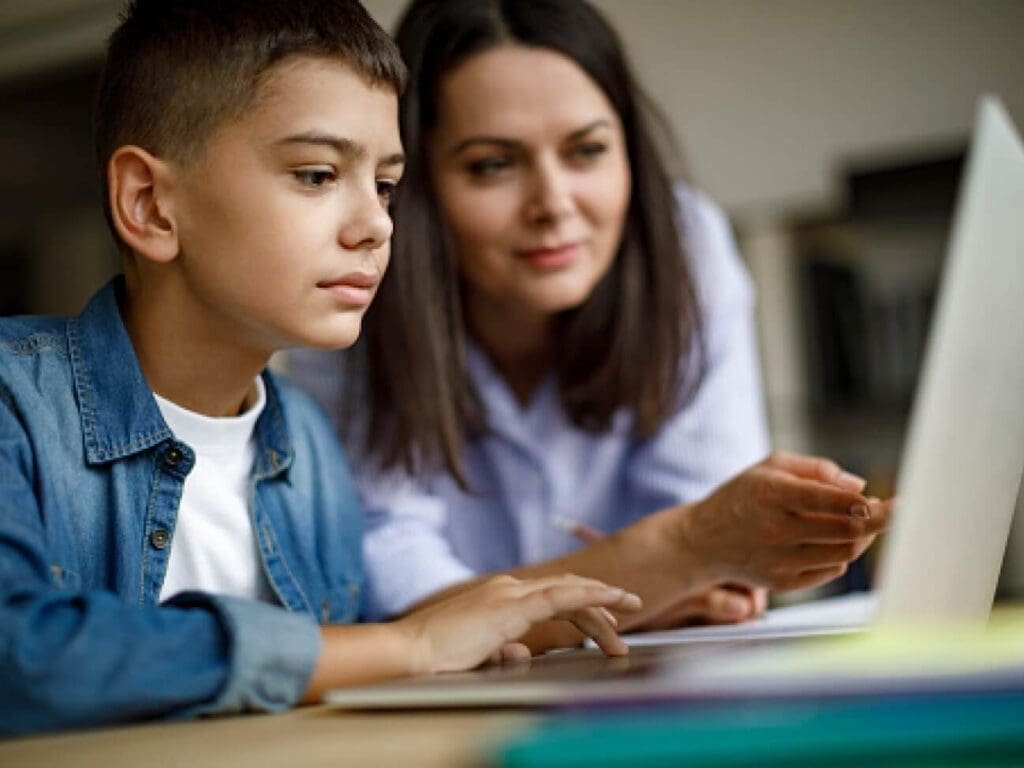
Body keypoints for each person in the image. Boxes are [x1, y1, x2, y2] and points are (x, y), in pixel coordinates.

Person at [0, 0, 645, 736]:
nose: (375, 224)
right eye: (316, 174)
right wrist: (408, 645)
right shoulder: (14, 403)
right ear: (150, 205)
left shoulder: (306, 444)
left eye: (386, 185)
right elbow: (19, 658)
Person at [289, 0, 890, 647]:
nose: (553, 203)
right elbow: (394, 595)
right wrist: (673, 560)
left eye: (588, 150)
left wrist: (675, 563)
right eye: (493, 164)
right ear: (416, 182)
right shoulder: (356, 281)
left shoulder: (684, 244)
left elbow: (724, 578)